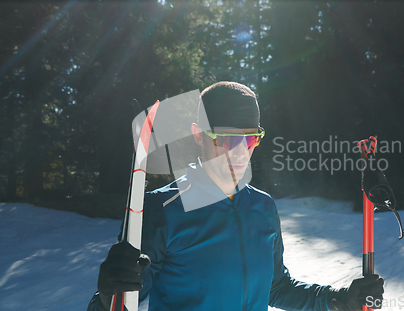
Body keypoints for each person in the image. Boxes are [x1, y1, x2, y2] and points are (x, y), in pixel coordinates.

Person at [87, 81, 384, 311]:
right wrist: (105, 297)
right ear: (199, 134)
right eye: (228, 138)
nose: (241, 152)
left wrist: (339, 300)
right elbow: (122, 300)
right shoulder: (161, 211)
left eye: (251, 138)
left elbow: (276, 287)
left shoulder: (263, 207)